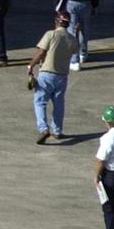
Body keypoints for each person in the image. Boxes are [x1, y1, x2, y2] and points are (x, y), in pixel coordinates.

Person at [26, 9, 79, 144]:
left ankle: (43, 129)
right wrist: (76, 34)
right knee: (59, 104)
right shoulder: (71, 38)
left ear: (56, 21)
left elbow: (41, 52)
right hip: (62, 77)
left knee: (40, 102)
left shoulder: (50, 34)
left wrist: (31, 65)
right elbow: (75, 49)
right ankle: (57, 131)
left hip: (47, 74)